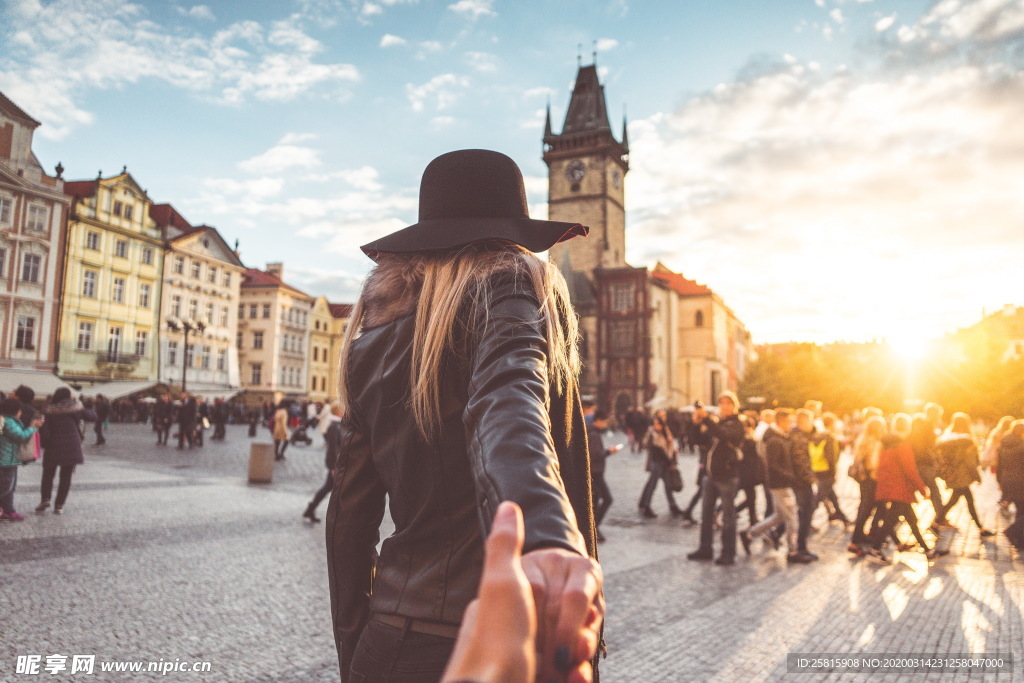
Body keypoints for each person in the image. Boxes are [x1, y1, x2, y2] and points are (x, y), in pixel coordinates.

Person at [326, 149, 603, 683]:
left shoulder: (370, 342)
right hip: (495, 633)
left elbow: (347, 521)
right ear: (512, 239)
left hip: (387, 640)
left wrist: (358, 649)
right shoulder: (511, 288)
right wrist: (543, 541)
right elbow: (508, 405)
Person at [864, 413, 941, 562]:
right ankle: (875, 549)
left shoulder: (885, 443)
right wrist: (922, 489)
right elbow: (910, 470)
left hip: (888, 486)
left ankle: (928, 550)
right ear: (908, 427)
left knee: (911, 519)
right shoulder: (902, 445)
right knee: (890, 522)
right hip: (900, 488)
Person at [688, 391, 744, 565]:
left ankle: (728, 552)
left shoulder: (737, 423)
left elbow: (724, 435)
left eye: (728, 403)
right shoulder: (717, 422)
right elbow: (699, 441)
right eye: (722, 403)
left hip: (727, 476)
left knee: (728, 517)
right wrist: (696, 424)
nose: (725, 406)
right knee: (706, 514)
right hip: (710, 476)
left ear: (734, 406)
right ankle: (705, 548)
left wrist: (706, 419)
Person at [740, 409, 805, 561]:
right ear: (781, 422)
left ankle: (749, 534)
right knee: (792, 518)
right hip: (780, 484)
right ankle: (793, 551)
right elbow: (773, 465)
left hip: (780, 483)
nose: (791, 424)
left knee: (779, 516)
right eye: (789, 421)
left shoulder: (779, 437)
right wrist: (791, 477)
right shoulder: (775, 440)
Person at [36, 388, 96, 515]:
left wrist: (44, 444)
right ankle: (59, 505)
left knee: (48, 474)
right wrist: (85, 405)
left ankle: (45, 499)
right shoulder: (76, 408)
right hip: (72, 445)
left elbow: (44, 428)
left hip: (53, 445)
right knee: (66, 476)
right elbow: (92, 416)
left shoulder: (49, 410)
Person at [935, 412, 995, 537]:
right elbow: (970, 463)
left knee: (958, 500)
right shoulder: (967, 441)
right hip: (963, 475)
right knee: (966, 501)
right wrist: (977, 477)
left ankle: (937, 522)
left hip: (952, 474)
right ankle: (980, 528)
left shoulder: (946, 439)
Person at [0, 398, 43, 521]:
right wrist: (32, 427)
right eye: (19, 410)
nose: (21, 412)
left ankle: (8, 511)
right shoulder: (9, 422)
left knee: (8, 487)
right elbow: (21, 436)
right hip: (5, 460)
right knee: (6, 487)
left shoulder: (6, 420)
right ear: (14, 410)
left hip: (8, 459)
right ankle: (8, 511)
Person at [849, 415, 887, 554]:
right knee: (873, 508)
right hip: (872, 479)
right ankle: (856, 540)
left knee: (866, 508)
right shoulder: (876, 443)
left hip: (863, 479)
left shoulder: (862, 440)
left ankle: (862, 535)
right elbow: (874, 464)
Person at [304, 401, 344, 523]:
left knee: (328, 488)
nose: (344, 411)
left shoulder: (339, 425)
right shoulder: (334, 426)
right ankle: (313, 510)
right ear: (337, 411)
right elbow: (333, 448)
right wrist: (334, 467)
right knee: (330, 489)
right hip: (336, 465)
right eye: (342, 409)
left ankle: (310, 509)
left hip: (338, 465)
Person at [637, 411, 682, 519]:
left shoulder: (666, 431)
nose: (656, 426)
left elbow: (671, 446)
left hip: (666, 463)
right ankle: (646, 506)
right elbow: (654, 448)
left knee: (668, 485)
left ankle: (673, 506)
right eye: (655, 424)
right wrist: (669, 462)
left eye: (658, 423)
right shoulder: (653, 433)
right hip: (658, 463)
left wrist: (673, 460)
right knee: (652, 485)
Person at [789, 408, 819, 561]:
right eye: (810, 421)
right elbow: (802, 463)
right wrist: (811, 478)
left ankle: (798, 546)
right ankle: (801, 547)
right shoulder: (799, 438)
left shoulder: (794, 435)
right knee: (805, 513)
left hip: (798, 481)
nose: (811, 424)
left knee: (800, 513)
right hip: (802, 482)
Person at [908, 413, 947, 527]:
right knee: (935, 491)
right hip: (927, 467)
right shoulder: (928, 436)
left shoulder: (909, 437)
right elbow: (934, 449)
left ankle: (899, 513)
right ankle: (940, 516)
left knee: (910, 491)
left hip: (914, 467)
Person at [588, 410, 619, 541]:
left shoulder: (592, 431)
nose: (606, 425)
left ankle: (593, 527)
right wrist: (609, 451)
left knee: (595, 499)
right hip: (595, 472)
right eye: (605, 422)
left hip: (594, 472)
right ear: (599, 421)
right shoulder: (594, 434)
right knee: (607, 499)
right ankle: (594, 527)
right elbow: (595, 455)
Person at [813, 413, 849, 525]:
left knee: (832, 495)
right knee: (818, 498)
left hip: (818, 468)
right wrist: (834, 473)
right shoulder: (830, 437)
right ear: (832, 423)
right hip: (827, 471)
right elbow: (831, 457)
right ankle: (804, 519)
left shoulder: (818, 435)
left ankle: (843, 517)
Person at [681, 400, 712, 524]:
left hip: (707, 461)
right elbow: (695, 440)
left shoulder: (709, 423)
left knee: (704, 490)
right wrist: (696, 424)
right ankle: (689, 512)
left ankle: (689, 512)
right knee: (703, 490)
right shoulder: (696, 425)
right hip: (705, 462)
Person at [996, 421, 1024, 548]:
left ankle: (1019, 540)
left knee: (1020, 508)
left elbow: (999, 465)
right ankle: (1013, 532)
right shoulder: (1022, 446)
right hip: (1020, 480)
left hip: (1006, 478)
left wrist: (1000, 480)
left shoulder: (1004, 444)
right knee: (1021, 508)